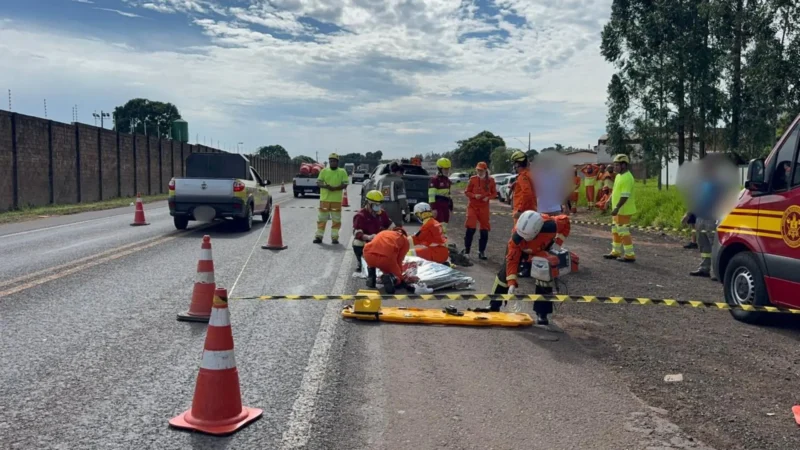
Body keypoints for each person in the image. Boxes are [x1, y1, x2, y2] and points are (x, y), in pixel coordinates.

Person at [489, 210, 571, 325]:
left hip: (541, 250)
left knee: (544, 275)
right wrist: (511, 283)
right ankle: (494, 304)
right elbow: (512, 260)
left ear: (536, 232)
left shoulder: (551, 225)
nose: (524, 240)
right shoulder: (516, 238)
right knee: (505, 274)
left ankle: (542, 313)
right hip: (519, 251)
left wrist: (558, 243)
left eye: (527, 238)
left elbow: (566, 222)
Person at [352, 190, 396, 273]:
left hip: (380, 240)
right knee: (357, 243)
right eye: (375, 204)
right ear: (368, 203)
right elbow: (357, 233)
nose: (378, 206)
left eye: (379, 204)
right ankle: (360, 262)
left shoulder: (382, 213)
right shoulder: (360, 215)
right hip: (367, 241)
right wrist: (368, 237)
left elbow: (391, 226)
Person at [603, 154, 636, 262]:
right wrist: (608, 200)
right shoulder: (618, 176)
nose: (614, 167)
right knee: (615, 231)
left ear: (624, 165)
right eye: (614, 165)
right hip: (617, 211)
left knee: (623, 232)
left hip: (623, 210)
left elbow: (625, 196)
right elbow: (615, 191)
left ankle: (629, 255)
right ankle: (615, 252)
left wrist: (617, 207)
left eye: (617, 165)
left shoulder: (627, 178)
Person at [463, 162, 497, 259]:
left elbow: (494, 193)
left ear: (486, 170)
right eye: (478, 170)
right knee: (470, 227)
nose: (479, 172)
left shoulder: (491, 180)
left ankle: (481, 251)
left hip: (484, 208)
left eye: (481, 170)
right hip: (473, 206)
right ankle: (467, 251)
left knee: (484, 230)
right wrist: (474, 195)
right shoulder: (473, 179)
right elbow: (467, 192)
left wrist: (488, 197)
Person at [314, 153, 349, 244]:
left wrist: (335, 188)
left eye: (334, 161)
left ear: (337, 162)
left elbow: (345, 184)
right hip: (324, 200)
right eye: (331, 161)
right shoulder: (324, 171)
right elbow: (318, 183)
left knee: (336, 220)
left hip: (336, 201)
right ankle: (319, 236)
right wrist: (326, 186)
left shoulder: (342, 172)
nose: (332, 163)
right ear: (329, 162)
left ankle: (334, 237)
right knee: (321, 219)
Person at [363, 228, 411, 294]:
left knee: (374, 264)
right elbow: (399, 260)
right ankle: (392, 279)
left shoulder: (383, 232)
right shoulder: (404, 240)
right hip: (385, 259)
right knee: (398, 277)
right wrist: (400, 276)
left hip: (368, 255)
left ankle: (371, 278)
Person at [376, 162, 409, 226]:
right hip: (394, 209)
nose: (402, 176)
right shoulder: (399, 181)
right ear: (399, 172)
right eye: (402, 174)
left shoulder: (380, 180)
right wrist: (407, 211)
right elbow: (402, 199)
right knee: (396, 230)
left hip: (380, 208)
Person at [428, 157, 453, 235]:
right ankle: (439, 241)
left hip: (445, 205)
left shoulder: (447, 180)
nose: (447, 171)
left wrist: (450, 206)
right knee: (439, 224)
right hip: (438, 205)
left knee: (445, 224)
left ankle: (442, 240)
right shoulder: (435, 180)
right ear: (440, 169)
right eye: (445, 169)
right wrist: (433, 208)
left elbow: (448, 194)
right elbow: (431, 195)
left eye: (448, 169)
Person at [510, 150, 536, 224]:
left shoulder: (522, 176)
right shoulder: (530, 174)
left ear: (517, 164)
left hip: (523, 212)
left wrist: (519, 210)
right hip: (531, 210)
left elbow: (527, 194)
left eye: (514, 164)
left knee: (518, 234)